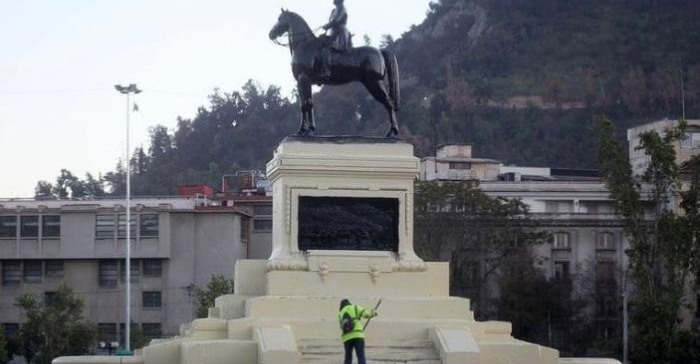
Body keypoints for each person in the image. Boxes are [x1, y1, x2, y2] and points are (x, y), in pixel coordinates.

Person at [318, 0, 352, 81]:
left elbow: (336, 21)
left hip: (340, 32)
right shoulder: (333, 10)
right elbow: (331, 21)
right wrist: (327, 26)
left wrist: (327, 26)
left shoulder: (342, 8)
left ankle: (328, 72)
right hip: (333, 32)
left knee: (327, 49)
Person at [338, 298, 377, 364]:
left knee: (348, 357)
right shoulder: (355, 307)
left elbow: (341, 327)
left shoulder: (340, 313)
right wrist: (373, 313)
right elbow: (366, 314)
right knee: (360, 356)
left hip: (346, 337)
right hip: (358, 335)